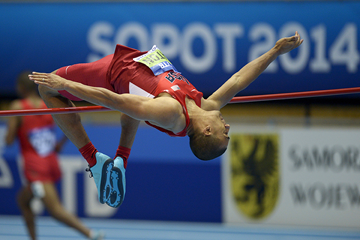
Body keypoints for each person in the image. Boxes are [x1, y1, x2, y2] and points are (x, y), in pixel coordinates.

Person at [28, 32, 304, 208]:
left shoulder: (172, 114)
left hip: (112, 72)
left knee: (47, 87)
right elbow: (239, 80)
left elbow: (114, 100)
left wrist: (65, 83)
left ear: (207, 130)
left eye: (225, 133)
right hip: (135, 68)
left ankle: (93, 160)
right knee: (136, 109)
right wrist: (275, 51)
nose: (228, 125)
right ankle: (121, 160)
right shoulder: (205, 105)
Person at [5, 71, 104, 240]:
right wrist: (59, 144)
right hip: (51, 161)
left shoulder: (18, 107)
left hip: (36, 166)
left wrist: (12, 127)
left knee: (55, 210)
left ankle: (90, 234)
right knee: (23, 201)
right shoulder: (47, 104)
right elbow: (73, 119)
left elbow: (8, 141)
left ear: (21, 88)